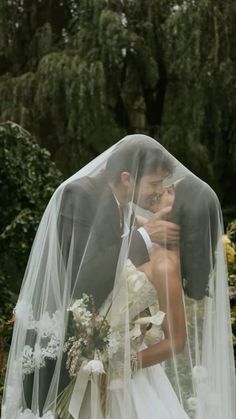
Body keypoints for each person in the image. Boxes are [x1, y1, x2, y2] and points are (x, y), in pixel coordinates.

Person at [2, 135, 235, 419]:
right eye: (154, 183)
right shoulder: (79, 195)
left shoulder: (123, 207)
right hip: (56, 347)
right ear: (127, 178)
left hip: (98, 360)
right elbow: (81, 279)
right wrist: (144, 236)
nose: (159, 191)